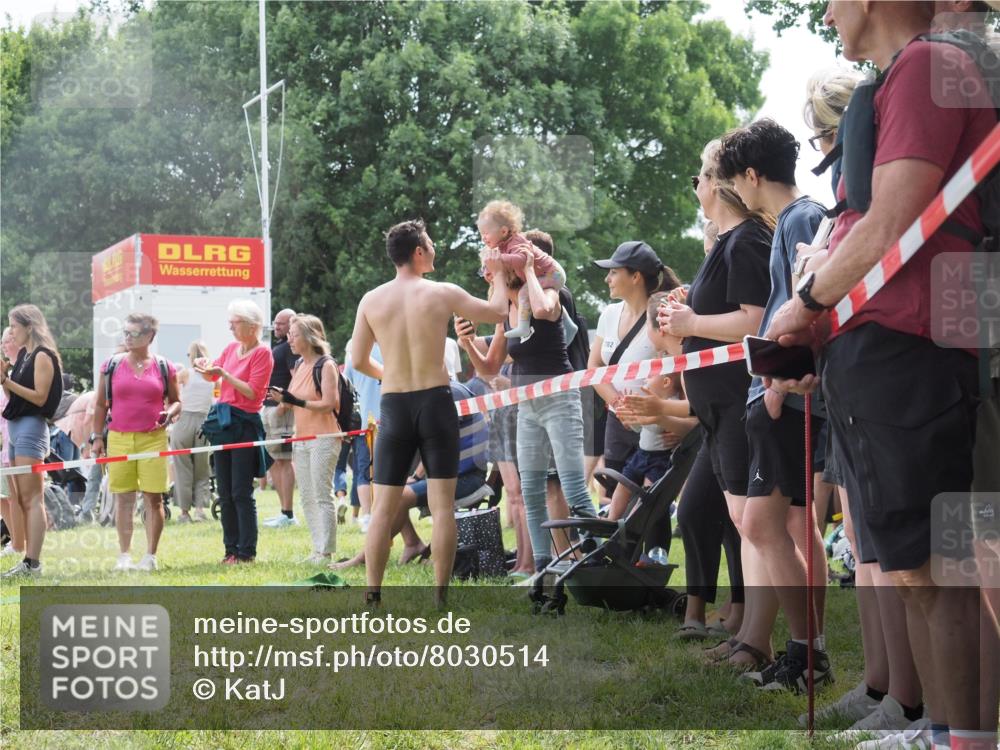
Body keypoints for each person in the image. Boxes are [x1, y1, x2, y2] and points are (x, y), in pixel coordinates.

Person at [766, 2, 996, 748]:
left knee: (937, 571)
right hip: (884, 351)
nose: (829, 11)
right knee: (912, 572)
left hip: (914, 353)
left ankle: (962, 736)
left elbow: (891, 218)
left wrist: (804, 305)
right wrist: (821, 330)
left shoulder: (930, 65)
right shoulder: (906, 74)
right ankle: (939, 728)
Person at [716, 118, 834, 693]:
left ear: (753, 175)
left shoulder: (801, 218)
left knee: (762, 525)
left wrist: (778, 386)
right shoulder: (792, 218)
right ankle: (806, 654)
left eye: (735, 178)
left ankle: (806, 653)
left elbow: (807, 308)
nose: (734, 189)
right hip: (776, 394)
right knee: (784, 525)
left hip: (784, 396)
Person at [350, 219, 509, 606]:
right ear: (418, 252)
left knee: (383, 509)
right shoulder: (441, 293)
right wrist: (501, 272)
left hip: (395, 404)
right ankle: (440, 597)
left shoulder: (371, 299)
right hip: (436, 403)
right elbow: (498, 312)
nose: (435, 250)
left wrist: (389, 374)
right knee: (441, 508)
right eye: (431, 244)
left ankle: (373, 594)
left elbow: (356, 359)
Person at [659, 139, 773, 671]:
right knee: (735, 521)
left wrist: (692, 323)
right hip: (718, 410)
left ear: (718, 183)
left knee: (752, 526)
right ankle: (746, 635)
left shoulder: (745, 239)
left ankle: (756, 641)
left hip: (736, 402)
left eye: (697, 179)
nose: (695, 189)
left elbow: (755, 320)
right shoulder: (728, 243)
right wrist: (691, 313)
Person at [460, 237, 596, 576]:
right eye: (485, 272)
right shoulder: (503, 312)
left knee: (574, 487)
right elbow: (489, 368)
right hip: (527, 407)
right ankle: (542, 570)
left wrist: (530, 269)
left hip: (560, 401)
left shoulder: (550, 293)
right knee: (531, 491)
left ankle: (597, 559)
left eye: (490, 271)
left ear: (508, 270)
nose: (486, 277)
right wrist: (466, 344)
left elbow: (545, 311)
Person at [331, 373, 490, 571]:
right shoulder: (444, 391)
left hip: (466, 478)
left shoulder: (449, 395)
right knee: (391, 491)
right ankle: (412, 543)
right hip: (454, 474)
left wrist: (415, 477)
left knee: (398, 496)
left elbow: (436, 444)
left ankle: (364, 557)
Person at [91, 313, 180, 572]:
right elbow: (99, 404)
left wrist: (170, 413)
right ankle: (124, 555)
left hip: (153, 439)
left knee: (154, 499)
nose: (127, 337)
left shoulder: (164, 366)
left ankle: (150, 556)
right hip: (118, 438)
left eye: (133, 333)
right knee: (124, 499)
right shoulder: (111, 365)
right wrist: (98, 437)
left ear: (150, 336)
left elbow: (176, 401)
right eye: (125, 332)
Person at [591, 242, 680, 492]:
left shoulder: (664, 313)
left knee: (652, 509)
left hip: (656, 428)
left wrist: (679, 425)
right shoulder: (608, 314)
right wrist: (618, 405)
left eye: (613, 272)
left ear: (636, 276)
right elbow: (594, 366)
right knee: (614, 495)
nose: (607, 278)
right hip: (617, 423)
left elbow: (683, 371)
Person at [195, 299, 274, 564]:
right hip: (223, 423)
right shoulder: (230, 348)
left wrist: (224, 375)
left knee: (241, 491)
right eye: (230, 323)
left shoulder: (263, 353)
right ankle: (230, 550)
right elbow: (212, 375)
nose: (230, 327)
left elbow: (253, 392)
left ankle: (246, 552)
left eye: (235, 322)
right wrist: (206, 368)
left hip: (244, 424)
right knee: (225, 492)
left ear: (252, 327)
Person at [267, 314, 341, 564]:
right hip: (302, 437)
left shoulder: (326, 365)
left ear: (309, 338)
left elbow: (329, 403)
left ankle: (327, 551)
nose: (289, 339)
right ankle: (317, 549)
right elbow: (295, 399)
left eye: (294, 335)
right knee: (307, 496)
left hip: (325, 437)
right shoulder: (299, 366)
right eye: (289, 335)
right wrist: (282, 401)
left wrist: (294, 401)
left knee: (322, 494)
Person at [0, 304, 63, 578]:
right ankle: (26, 558)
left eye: (14, 326)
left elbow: (38, 397)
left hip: (30, 428)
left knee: (32, 497)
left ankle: (33, 563)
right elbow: (16, 397)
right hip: (16, 428)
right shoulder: (25, 356)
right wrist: (4, 379)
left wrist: (7, 381)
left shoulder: (42, 356)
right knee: (20, 498)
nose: (11, 332)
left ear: (29, 326)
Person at [477, 200, 572, 342]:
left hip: (553, 274)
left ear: (503, 231)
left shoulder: (516, 241)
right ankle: (570, 325)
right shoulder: (504, 245)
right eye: (481, 234)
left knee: (524, 293)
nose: (483, 238)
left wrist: (499, 259)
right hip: (550, 274)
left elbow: (522, 259)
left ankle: (523, 326)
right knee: (528, 292)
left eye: (486, 233)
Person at [262, 308, 299, 528]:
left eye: (281, 324)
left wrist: (285, 405)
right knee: (274, 460)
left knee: (284, 460)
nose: (276, 327)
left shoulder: (290, 349)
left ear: (291, 325)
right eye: (275, 323)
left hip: (280, 411)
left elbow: (297, 377)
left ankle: (288, 513)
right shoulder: (278, 347)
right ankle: (282, 512)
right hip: (268, 408)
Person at [172, 341, 214, 523]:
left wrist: (172, 409)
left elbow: (169, 390)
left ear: (191, 356)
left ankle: (184, 512)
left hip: (183, 421)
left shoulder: (185, 374)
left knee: (182, 468)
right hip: (204, 421)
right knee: (202, 468)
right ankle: (199, 510)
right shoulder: (213, 376)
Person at [343, 340, 381, 529]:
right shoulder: (393, 348)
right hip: (391, 419)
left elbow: (347, 387)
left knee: (364, 471)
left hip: (365, 421)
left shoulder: (355, 354)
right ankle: (382, 514)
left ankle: (367, 516)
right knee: (387, 471)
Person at [0, 327, 25, 559]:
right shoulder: (5, 372)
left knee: (14, 497)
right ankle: (15, 540)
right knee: (3, 498)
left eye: (8, 339)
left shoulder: (19, 372)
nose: (4, 343)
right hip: (4, 447)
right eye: (3, 340)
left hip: (15, 444)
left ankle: (19, 544)